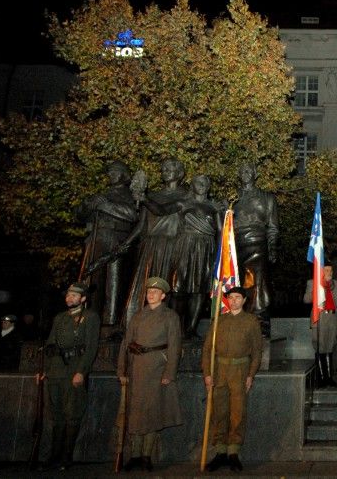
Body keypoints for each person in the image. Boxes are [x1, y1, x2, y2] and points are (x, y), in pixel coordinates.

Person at [117, 277, 182, 472]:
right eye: (148, 292)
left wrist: (169, 372)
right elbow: (126, 344)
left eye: (155, 292)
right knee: (136, 413)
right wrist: (122, 369)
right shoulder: (137, 316)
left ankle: (146, 456)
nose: (150, 295)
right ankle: (135, 455)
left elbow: (175, 346)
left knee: (153, 412)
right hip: (136, 369)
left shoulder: (170, 317)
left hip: (156, 368)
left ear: (163, 296)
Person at [116, 158, 190, 327]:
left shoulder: (186, 196)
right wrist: (125, 244)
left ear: (180, 173)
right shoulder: (152, 196)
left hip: (173, 246)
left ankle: (167, 326)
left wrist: (144, 199)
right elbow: (141, 226)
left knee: (171, 287)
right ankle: (135, 325)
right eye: (163, 168)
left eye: (169, 168)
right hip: (150, 246)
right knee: (142, 288)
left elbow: (162, 210)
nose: (165, 171)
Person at [40, 283, 100, 470]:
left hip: (74, 369)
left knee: (72, 414)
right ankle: (53, 456)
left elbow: (91, 348)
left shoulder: (90, 317)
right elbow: (50, 345)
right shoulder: (60, 318)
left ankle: (67, 457)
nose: (70, 298)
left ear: (83, 299)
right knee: (56, 415)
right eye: (68, 295)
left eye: (74, 295)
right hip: (56, 371)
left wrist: (81, 371)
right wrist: (45, 370)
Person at [202, 287, 263, 472]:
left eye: (238, 297)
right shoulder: (219, 321)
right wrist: (207, 373)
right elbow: (207, 350)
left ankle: (233, 452)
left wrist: (251, 374)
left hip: (240, 370)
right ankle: (220, 451)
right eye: (230, 297)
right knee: (219, 412)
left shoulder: (251, 321)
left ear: (244, 300)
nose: (234, 300)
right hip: (220, 370)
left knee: (237, 412)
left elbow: (257, 351)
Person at [76, 161, 139, 326]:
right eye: (109, 172)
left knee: (114, 282)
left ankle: (111, 321)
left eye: (115, 172)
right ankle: (88, 318)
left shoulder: (130, 194)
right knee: (92, 280)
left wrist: (105, 205)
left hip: (117, 238)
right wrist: (88, 205)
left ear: (124, 175)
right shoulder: (102, 194)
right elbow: (81, 215)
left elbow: (132, 215)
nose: (111, 175)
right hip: (96, 239)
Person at [233, 163, 279, 337]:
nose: (245, 173)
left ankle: (260, 318)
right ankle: (239, 317)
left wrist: (272, 248)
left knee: (258, 281)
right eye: (242, 170)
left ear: (255, 173)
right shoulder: (232, 197)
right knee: (239, 283)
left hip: (258, 243)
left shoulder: (267, 198)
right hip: (236, 245)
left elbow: (273, 227)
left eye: (248, 170)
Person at [173, 175, 222, 338]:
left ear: (209, 186)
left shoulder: (214, 206)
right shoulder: (184, 203)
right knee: (179, 286)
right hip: (186, 244)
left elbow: (221, 231)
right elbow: (161, 210)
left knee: (200, 288)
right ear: (192, 185)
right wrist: (144, 198)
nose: (202, 185)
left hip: (206, 246)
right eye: (198, 182)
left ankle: (191, 328)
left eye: (205, 182)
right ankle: (176, 326)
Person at [303, 264, 337, 387]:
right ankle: (320, 378)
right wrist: (317, 288)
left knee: (330, 347)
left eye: (331, 270)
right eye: (326, 269)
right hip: (319, 318)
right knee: (320, 347)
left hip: (332, 318)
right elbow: (306, 300)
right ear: (321, 271)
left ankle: (329, 377)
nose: (329, 272)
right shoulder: (313, 282)